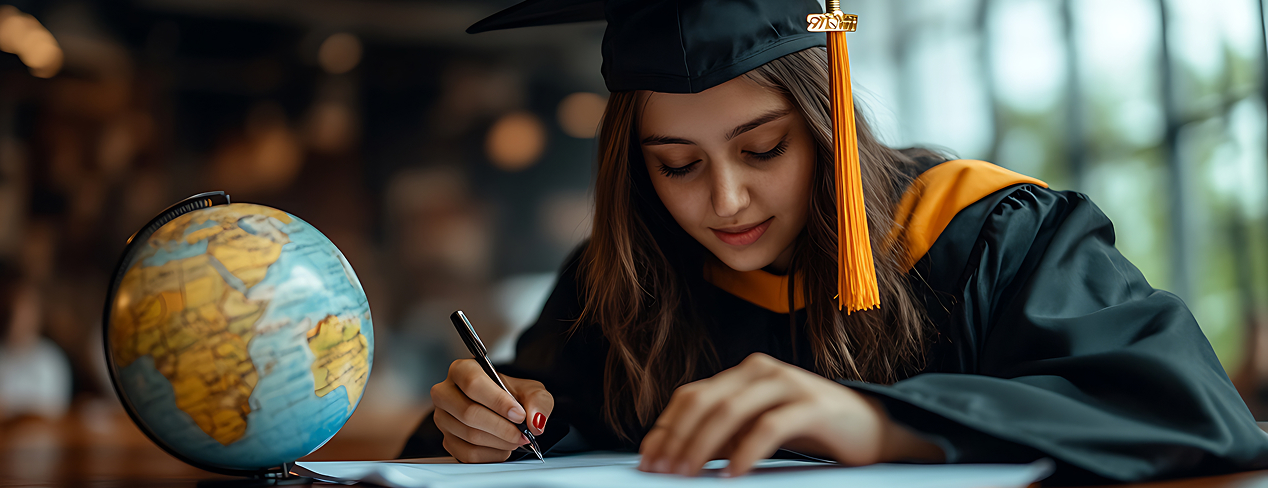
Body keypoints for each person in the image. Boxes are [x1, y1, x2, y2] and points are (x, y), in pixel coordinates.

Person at [401, 0, 1268, 484]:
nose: (724, 200)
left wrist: (881, 424)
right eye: (675, 165)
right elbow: (532, 441)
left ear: (829, 125)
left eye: (764, 149)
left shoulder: (985, 233)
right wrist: (483, 426)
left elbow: (1189, 411)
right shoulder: (622, 282)